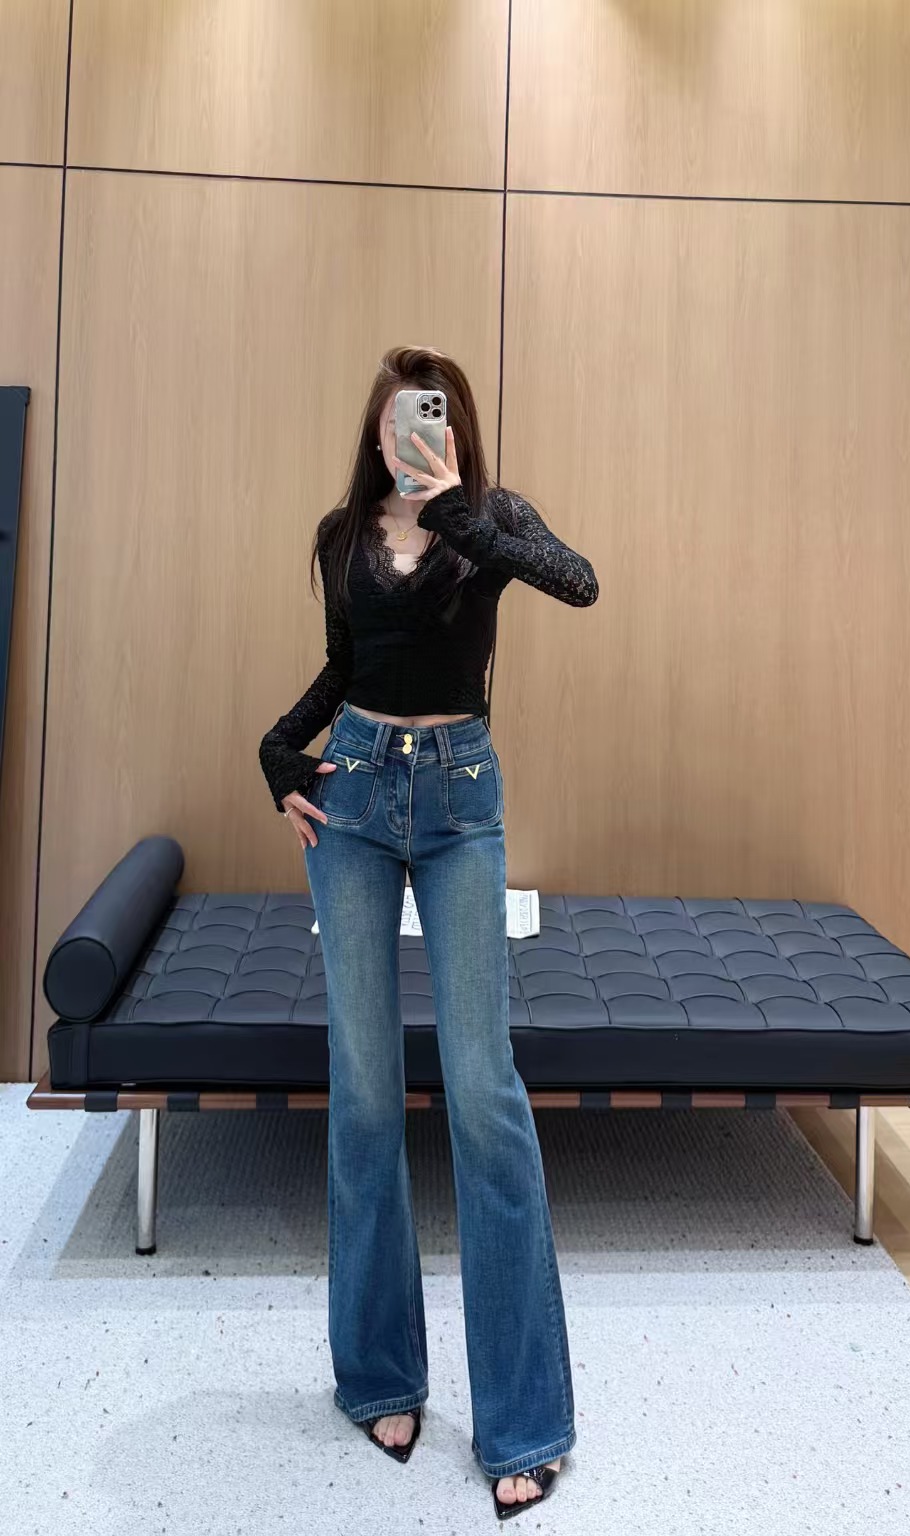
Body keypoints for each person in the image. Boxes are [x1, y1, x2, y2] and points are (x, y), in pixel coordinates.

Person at [258, 344, 598, 1519]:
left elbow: (578, 582)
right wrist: (278, 752)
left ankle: (524, 1419)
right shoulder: (339, 536)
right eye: (401, 411)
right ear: (376, 425)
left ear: (453, 425)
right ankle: (378, 1375)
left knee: (482, 1092)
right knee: (362, 1089)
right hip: (351, 796)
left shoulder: (491, 521)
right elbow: (344, 665)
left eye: (434, 411)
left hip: (459, 803)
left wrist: (457, 508)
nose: (415, 424)